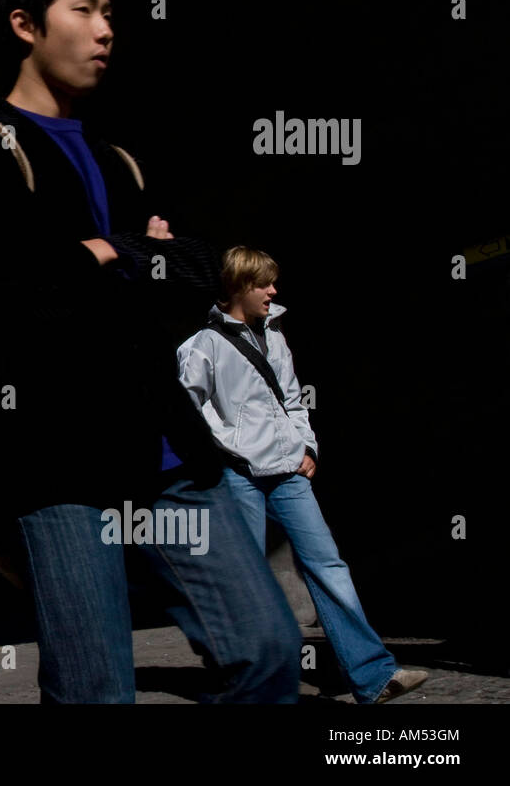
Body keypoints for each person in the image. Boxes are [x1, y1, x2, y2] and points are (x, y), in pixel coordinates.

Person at [0, 0, 302, 703]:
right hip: (57, 458)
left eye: (109, 13)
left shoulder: (119, 157)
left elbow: (198, 277)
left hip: (167, 450)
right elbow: (16, 295)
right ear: (25, 25)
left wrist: (107, 253)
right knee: (95, 689)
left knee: (268, 648)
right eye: (85, 10)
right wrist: (130, 256)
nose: (106, 30)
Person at [176, 246, 429, 703]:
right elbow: (186, 414)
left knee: (328, 564)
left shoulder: (275, 334)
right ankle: (253, 685)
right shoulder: (202, 346)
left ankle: (374, 677)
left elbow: (292, 398)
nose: (273, 291)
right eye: (263, 284)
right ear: (238, 286)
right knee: (247, 581)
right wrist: (219, 458)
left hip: (289, 470)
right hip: (237, 475)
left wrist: (306, 445)